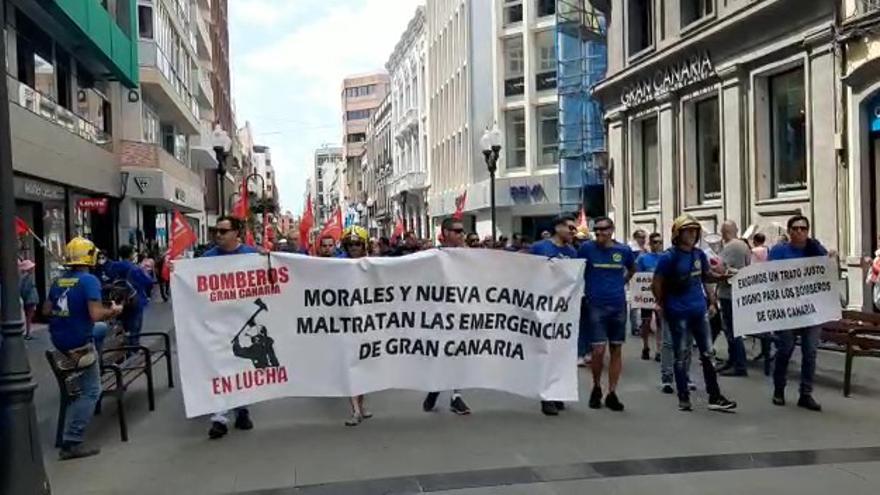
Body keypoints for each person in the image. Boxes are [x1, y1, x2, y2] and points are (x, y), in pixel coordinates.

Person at [45, 237, 123, 460]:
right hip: (78, 345)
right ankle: (72, 441)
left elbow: (47, 309)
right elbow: (96, 314)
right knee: (92, 391)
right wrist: (114, 311)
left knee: (99, 329)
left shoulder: (58, 281)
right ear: (89, 256)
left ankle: (97, 356)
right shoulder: (89, 280)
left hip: (60, 340)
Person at [652, 215, 737, 412]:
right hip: (678, 312)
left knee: (708, 354)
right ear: (678, 233)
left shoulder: (698, 255)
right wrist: (663, 304)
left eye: (694, 231)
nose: (692, 234)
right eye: (687, 230)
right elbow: (656, 283)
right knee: (681, 354)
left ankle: (714, 396)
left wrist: (724, 277)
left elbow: (706, 275)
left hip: (699, 311)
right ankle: (683, 396)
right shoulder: (668, 257)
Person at [202, 216, 261, 439]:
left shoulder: (251, 255)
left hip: (245, 322)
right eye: (216, 231)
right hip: (217, 324)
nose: (218, 235)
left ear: (237, 233)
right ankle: (219, 419)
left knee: (241, 367)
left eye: (223, 231)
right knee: (219, 368)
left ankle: (242, 410)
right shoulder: (207, 259)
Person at [768, 215, 835, 412]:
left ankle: (806, 393)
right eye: (795, 228)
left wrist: (831, 259)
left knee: (810, 352)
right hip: (787, 309)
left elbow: (827, 272)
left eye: (803, 228)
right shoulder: (779, 251)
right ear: (789, 232)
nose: (799, 232)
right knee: (785, 348)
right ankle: (779, 389)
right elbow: (769, 276)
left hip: (811, 310)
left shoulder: (815, 249)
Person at [578, 217, 635, 412]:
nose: (599, 233)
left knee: (616, 349)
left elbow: (632, 269)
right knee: (598, 350)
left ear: (611, 230)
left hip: (618, 305)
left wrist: (621, 283)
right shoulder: (587, 249)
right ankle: (596, 387)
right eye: (597, 230)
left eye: (603, 230)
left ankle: (612, 392)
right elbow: (577, 271)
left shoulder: (623, 251)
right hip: (596, 306)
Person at [422, 218, 473, 417]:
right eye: (457, 231)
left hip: (462, 312)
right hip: (438, 313)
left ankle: (456, 396)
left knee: (459, 352)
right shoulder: (434, 255)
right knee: (441, 353)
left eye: (463, 231)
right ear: (445, 233)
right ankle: (435, 387)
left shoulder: (470, 256)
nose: (461, 235)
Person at [529, 215, 578, 416]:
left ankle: (557, 392)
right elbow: (527, 271)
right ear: (558, 228)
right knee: (546, 352)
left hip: (564, 309)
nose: (573, 231)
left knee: (560, 353)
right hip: (543, 307)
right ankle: (546, 397)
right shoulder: (540, 248)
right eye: (570, 227)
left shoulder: (572, 251)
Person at [340, 226, 382, 425]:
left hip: (370, 323)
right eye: (350, 244)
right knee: (352, 366)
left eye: (357, 244)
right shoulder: (336, 265)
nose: (353, 247)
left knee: (364, 366)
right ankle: (355, 410)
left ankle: (361, 406)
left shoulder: (373, 264)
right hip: (347, 323)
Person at [716, 220, 750, 377]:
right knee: (733, 329)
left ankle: (739, 364)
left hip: (729, 294)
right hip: (739, 292)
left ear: (724, 232)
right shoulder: (743, 245)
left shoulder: (731, 247)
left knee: (732, 330)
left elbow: (719, 267)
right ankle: (733, 361)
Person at [106, 245, 154, 347]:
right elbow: (149, 282)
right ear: (131, 254)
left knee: (121, 327)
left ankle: (121, 349)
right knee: (134, 329)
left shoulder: (113, 266)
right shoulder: (135, 268)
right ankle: (133, 351)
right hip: (134, 301)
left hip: (118, 301)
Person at [635, 233, 663, 361]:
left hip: (660, 295)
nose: (658, 245)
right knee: (646, 322)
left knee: (660, 322)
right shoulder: (643, 258)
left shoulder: (665, 258)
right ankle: (645, 347)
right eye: (655, 242)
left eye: (660, 242)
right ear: (650, 244)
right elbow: (637, 276)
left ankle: (659, 350)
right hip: (646, 294)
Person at [628, 229, 648, 336]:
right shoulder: (632, 249)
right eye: (641, 237)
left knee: (645, 301)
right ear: (635, 238)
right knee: (635, 303)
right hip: (634, 278)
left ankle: (644, 325)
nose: (643, 239)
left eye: (644, 237)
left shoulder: (644, 249)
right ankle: (635, 327)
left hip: (644, 279)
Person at [19, 259, 39, 339]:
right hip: (30, 299)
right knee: (29, 316)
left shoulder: (23, 276)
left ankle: (28, 332)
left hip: (29, 299)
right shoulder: (27, 277)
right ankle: (28, 333)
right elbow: (26, 289)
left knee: (29, 316)